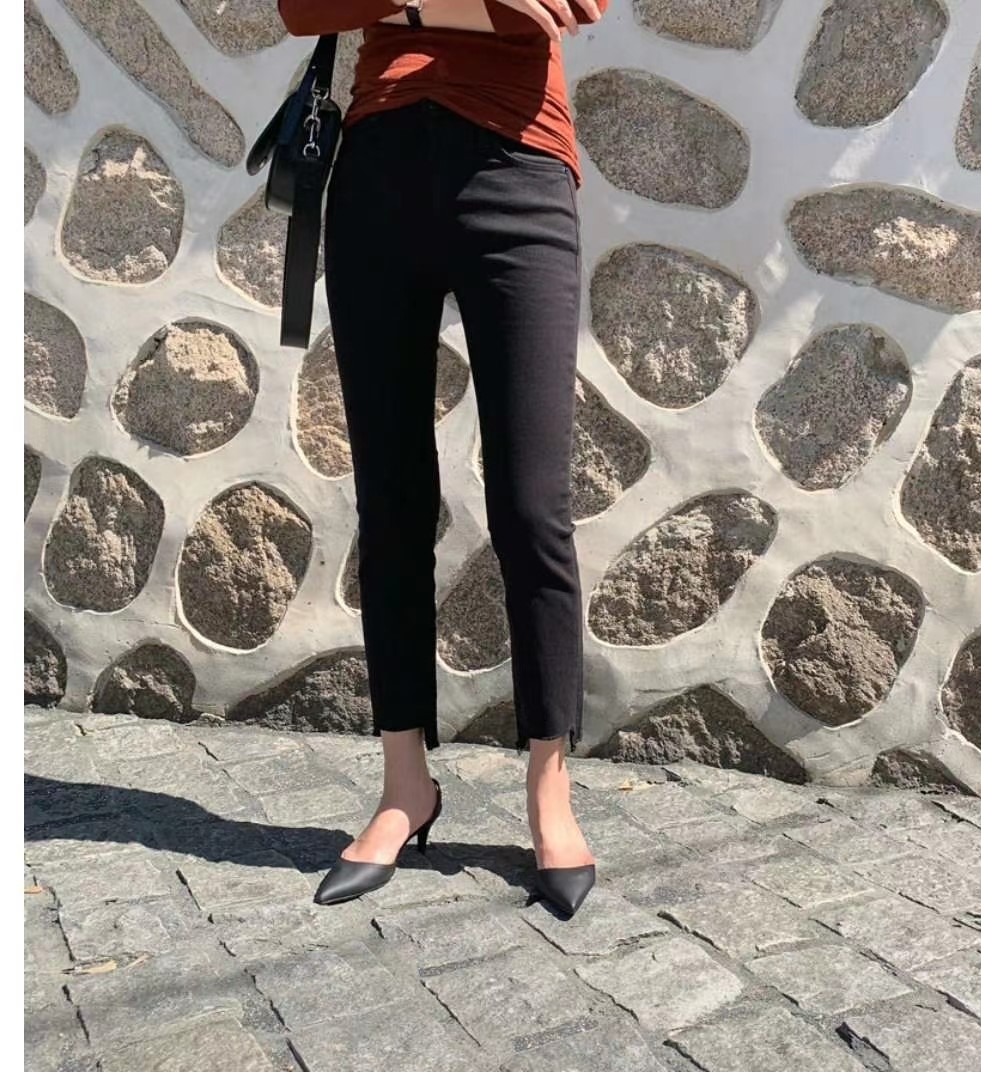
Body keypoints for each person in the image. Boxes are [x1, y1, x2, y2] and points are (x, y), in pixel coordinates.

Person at [275, 0, 609, 918]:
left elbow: (569, 8)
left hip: (519, 169)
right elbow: (302, 8)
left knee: (532, 507)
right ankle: (404, 786)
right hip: (377, 171)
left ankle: (549, 789)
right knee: (391, 504)